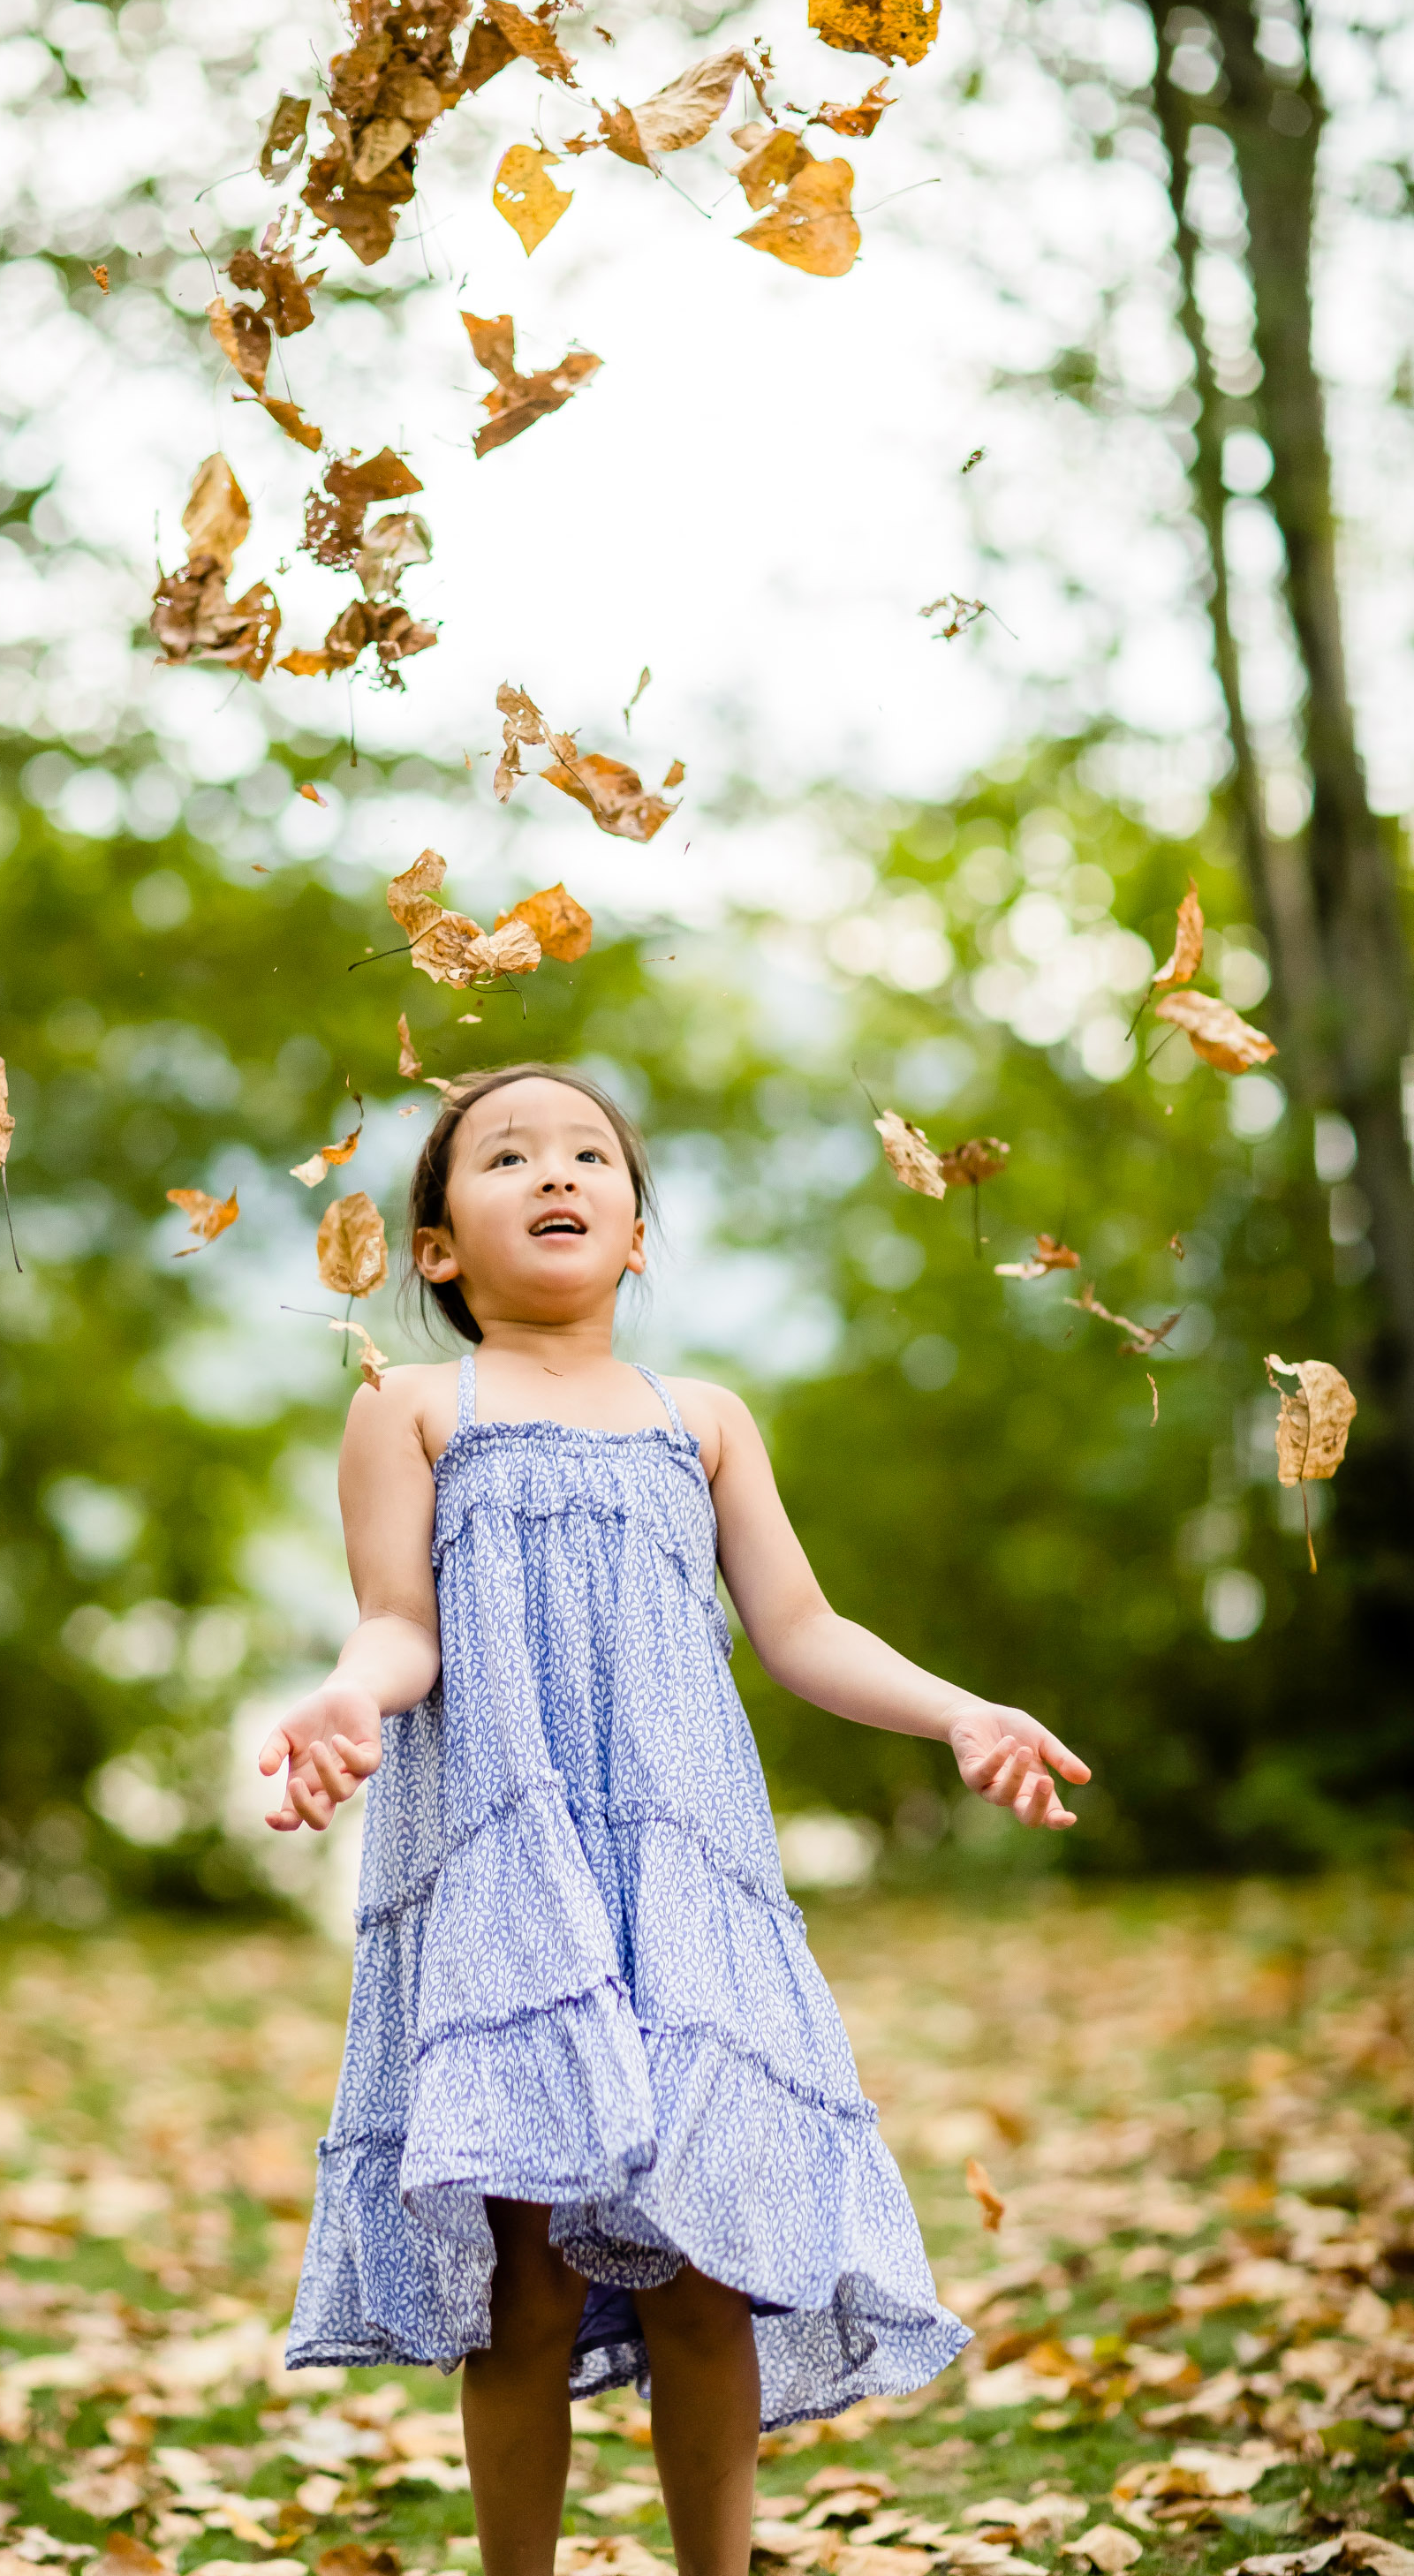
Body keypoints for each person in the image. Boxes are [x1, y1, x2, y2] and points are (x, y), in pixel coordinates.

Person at [261, 1063, 1089, 2576]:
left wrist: (961, 1709)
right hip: (513, 1873)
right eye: (505, 1156)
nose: (556, 1171)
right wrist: (344, 1700)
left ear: (637, 1232)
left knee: (706, 2252)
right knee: (523, 2275)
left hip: (683, 1876)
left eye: (591, 1154)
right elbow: (402, 1627)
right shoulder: (411, 1410)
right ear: (437, 1246)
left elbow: (802, 1628)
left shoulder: (699, 1419)